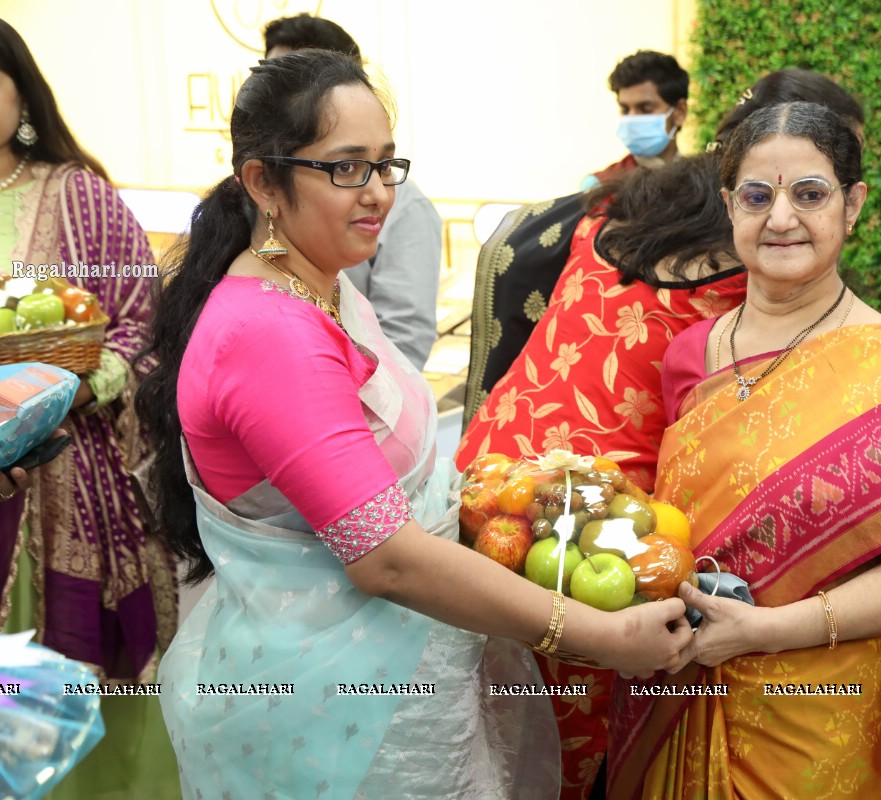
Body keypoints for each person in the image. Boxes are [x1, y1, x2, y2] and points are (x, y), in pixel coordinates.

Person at [134, 50, 691, 798]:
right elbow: (385, 559)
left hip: (393, 683)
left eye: (385, 164)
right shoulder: (272, 334)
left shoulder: (316, 288)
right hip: (344, 718)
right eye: (345, 168)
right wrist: (599, 635)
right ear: (262, 181)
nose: (377, 194)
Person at [606, 101, 881, 799]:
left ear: (853, 205)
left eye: (810, 194)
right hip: (677, 684)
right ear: (729, 206)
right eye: (757, 195)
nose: (781, 219)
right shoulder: (690, 353)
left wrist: (769, 630)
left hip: (819, 706)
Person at [459, 71, 865, 799]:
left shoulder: (623, 199)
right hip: (586, 518)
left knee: (496, 714)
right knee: (572, 720)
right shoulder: (760, 274)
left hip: (492, 478)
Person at [463, 67, 863, 424]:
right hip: (591, 496)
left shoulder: (618, 201)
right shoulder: (762, 268)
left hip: (487, 458)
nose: (780, 219)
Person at [0, 20, 179, 800]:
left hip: (60, 488)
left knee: (69, 695)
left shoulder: (75, 194)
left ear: (21, 90)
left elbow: (143, 322)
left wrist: (68, 387)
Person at [263, 13, 443, 369]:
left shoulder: (402, 208)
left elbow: (401, 343)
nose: (275, 106)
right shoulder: (254, 194)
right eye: (269, 84)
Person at [580, 50, 689, 191]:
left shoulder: (703, 185)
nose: (631, 119)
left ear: (680, 112)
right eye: (625, 109)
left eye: (645, 109)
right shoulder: (600, 187)